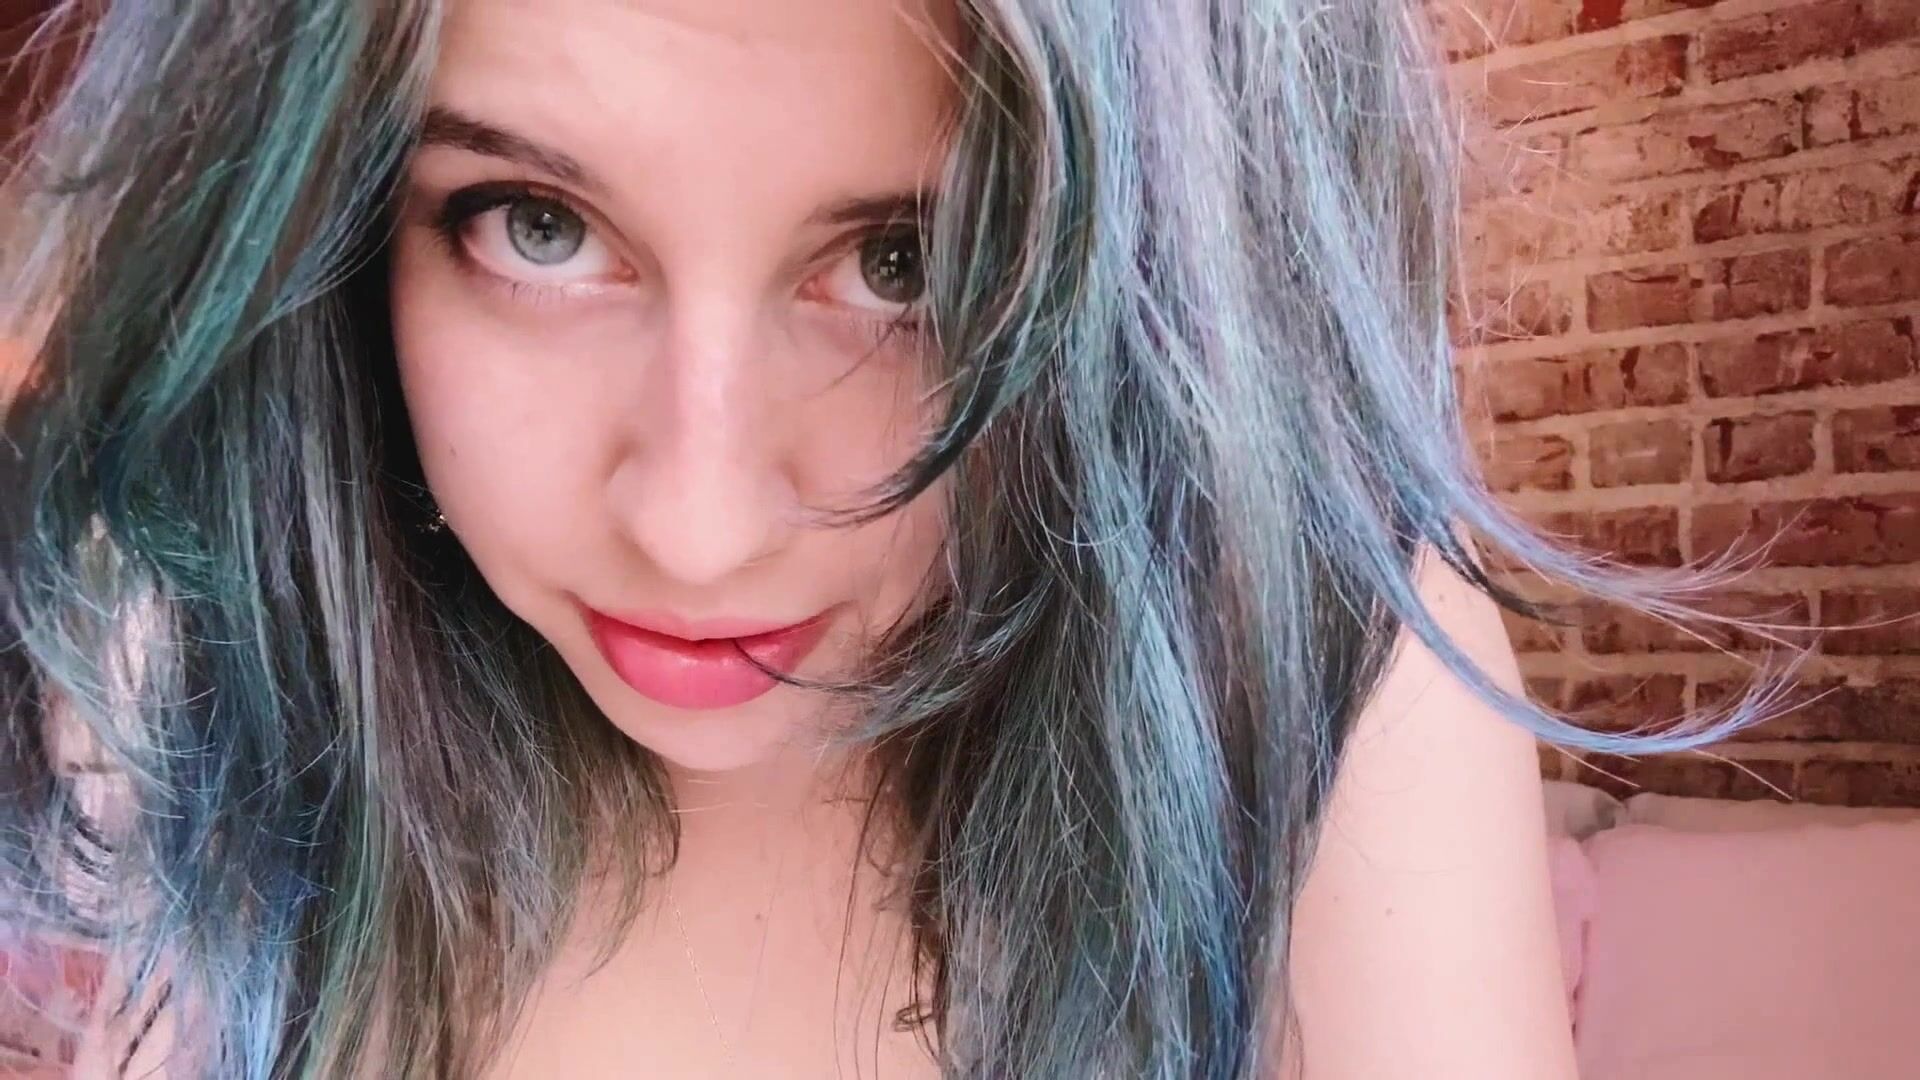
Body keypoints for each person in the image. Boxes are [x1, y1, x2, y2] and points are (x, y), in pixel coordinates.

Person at [0, 1, 1780, 1076]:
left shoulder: (1324, 691)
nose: (697, 529)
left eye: (909, 265)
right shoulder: (235, 664)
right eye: (536, 225)